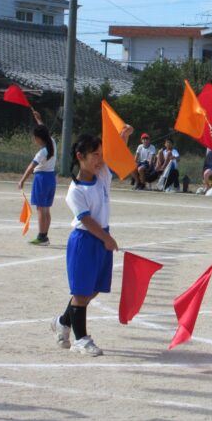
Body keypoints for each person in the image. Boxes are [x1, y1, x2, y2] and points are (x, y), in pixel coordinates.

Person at [50, 127, 131, 356]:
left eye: (100, 153)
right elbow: (85, 219)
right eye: (94, 154)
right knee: (82, 292)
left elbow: (115, 155)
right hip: (86, 240)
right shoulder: (74, 191)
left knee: (92, 290)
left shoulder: (103, 175)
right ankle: (81, 339)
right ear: (80, 157)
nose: (99, 159)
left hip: (100, 238)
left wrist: (123, 137)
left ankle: (63, 322)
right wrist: (106, 238)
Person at [17, 110, 57, 246]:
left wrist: (22, 180)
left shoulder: (42, 152)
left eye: (35, 137)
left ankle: (41, 237)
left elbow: (30, 167)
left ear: (39, 138)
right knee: (46, 210)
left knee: (41, 209)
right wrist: (38, 119)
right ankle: (44, 236)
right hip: (51, 178)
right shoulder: (52, 143)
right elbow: (44, 131)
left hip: (41, 179)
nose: (34, 139)